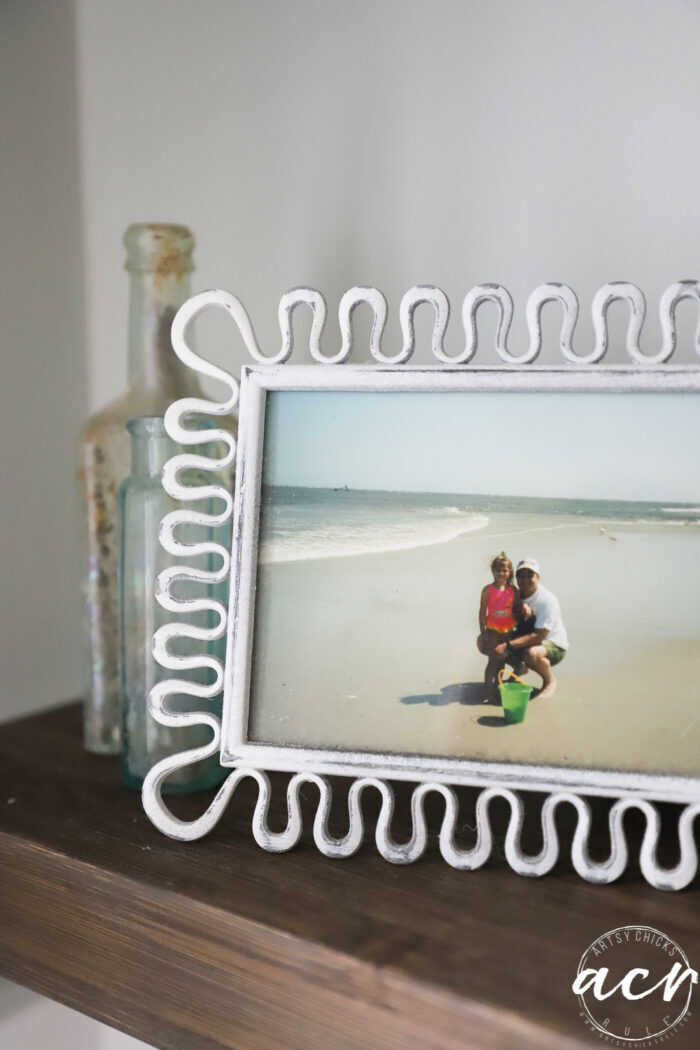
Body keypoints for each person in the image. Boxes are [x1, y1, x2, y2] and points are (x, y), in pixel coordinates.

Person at [493, 558, 568, 699]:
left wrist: (508, 645)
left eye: (530, 575)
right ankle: (519, 668)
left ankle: (549, 681)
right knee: (487, 642)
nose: (525, 579)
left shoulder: (547, 600)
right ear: (515, 577)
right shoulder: (513, 595)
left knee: (531, 654)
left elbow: (538, 636)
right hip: (527, 637)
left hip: (553, 644)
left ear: (538, 577)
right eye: (521, 575)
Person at [476, 554, 519, 701]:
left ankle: (497, 687)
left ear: (510, 572)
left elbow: (516, 612)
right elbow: (482, 612)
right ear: (493, 571)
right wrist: (483, 631)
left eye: (505, 570)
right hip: (493, 631)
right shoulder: (487, 590)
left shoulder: (514, 590)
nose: (501, 573)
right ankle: (488, 692)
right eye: (498, 570)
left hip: (508, 632)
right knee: (492, 661)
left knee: (501, 660)